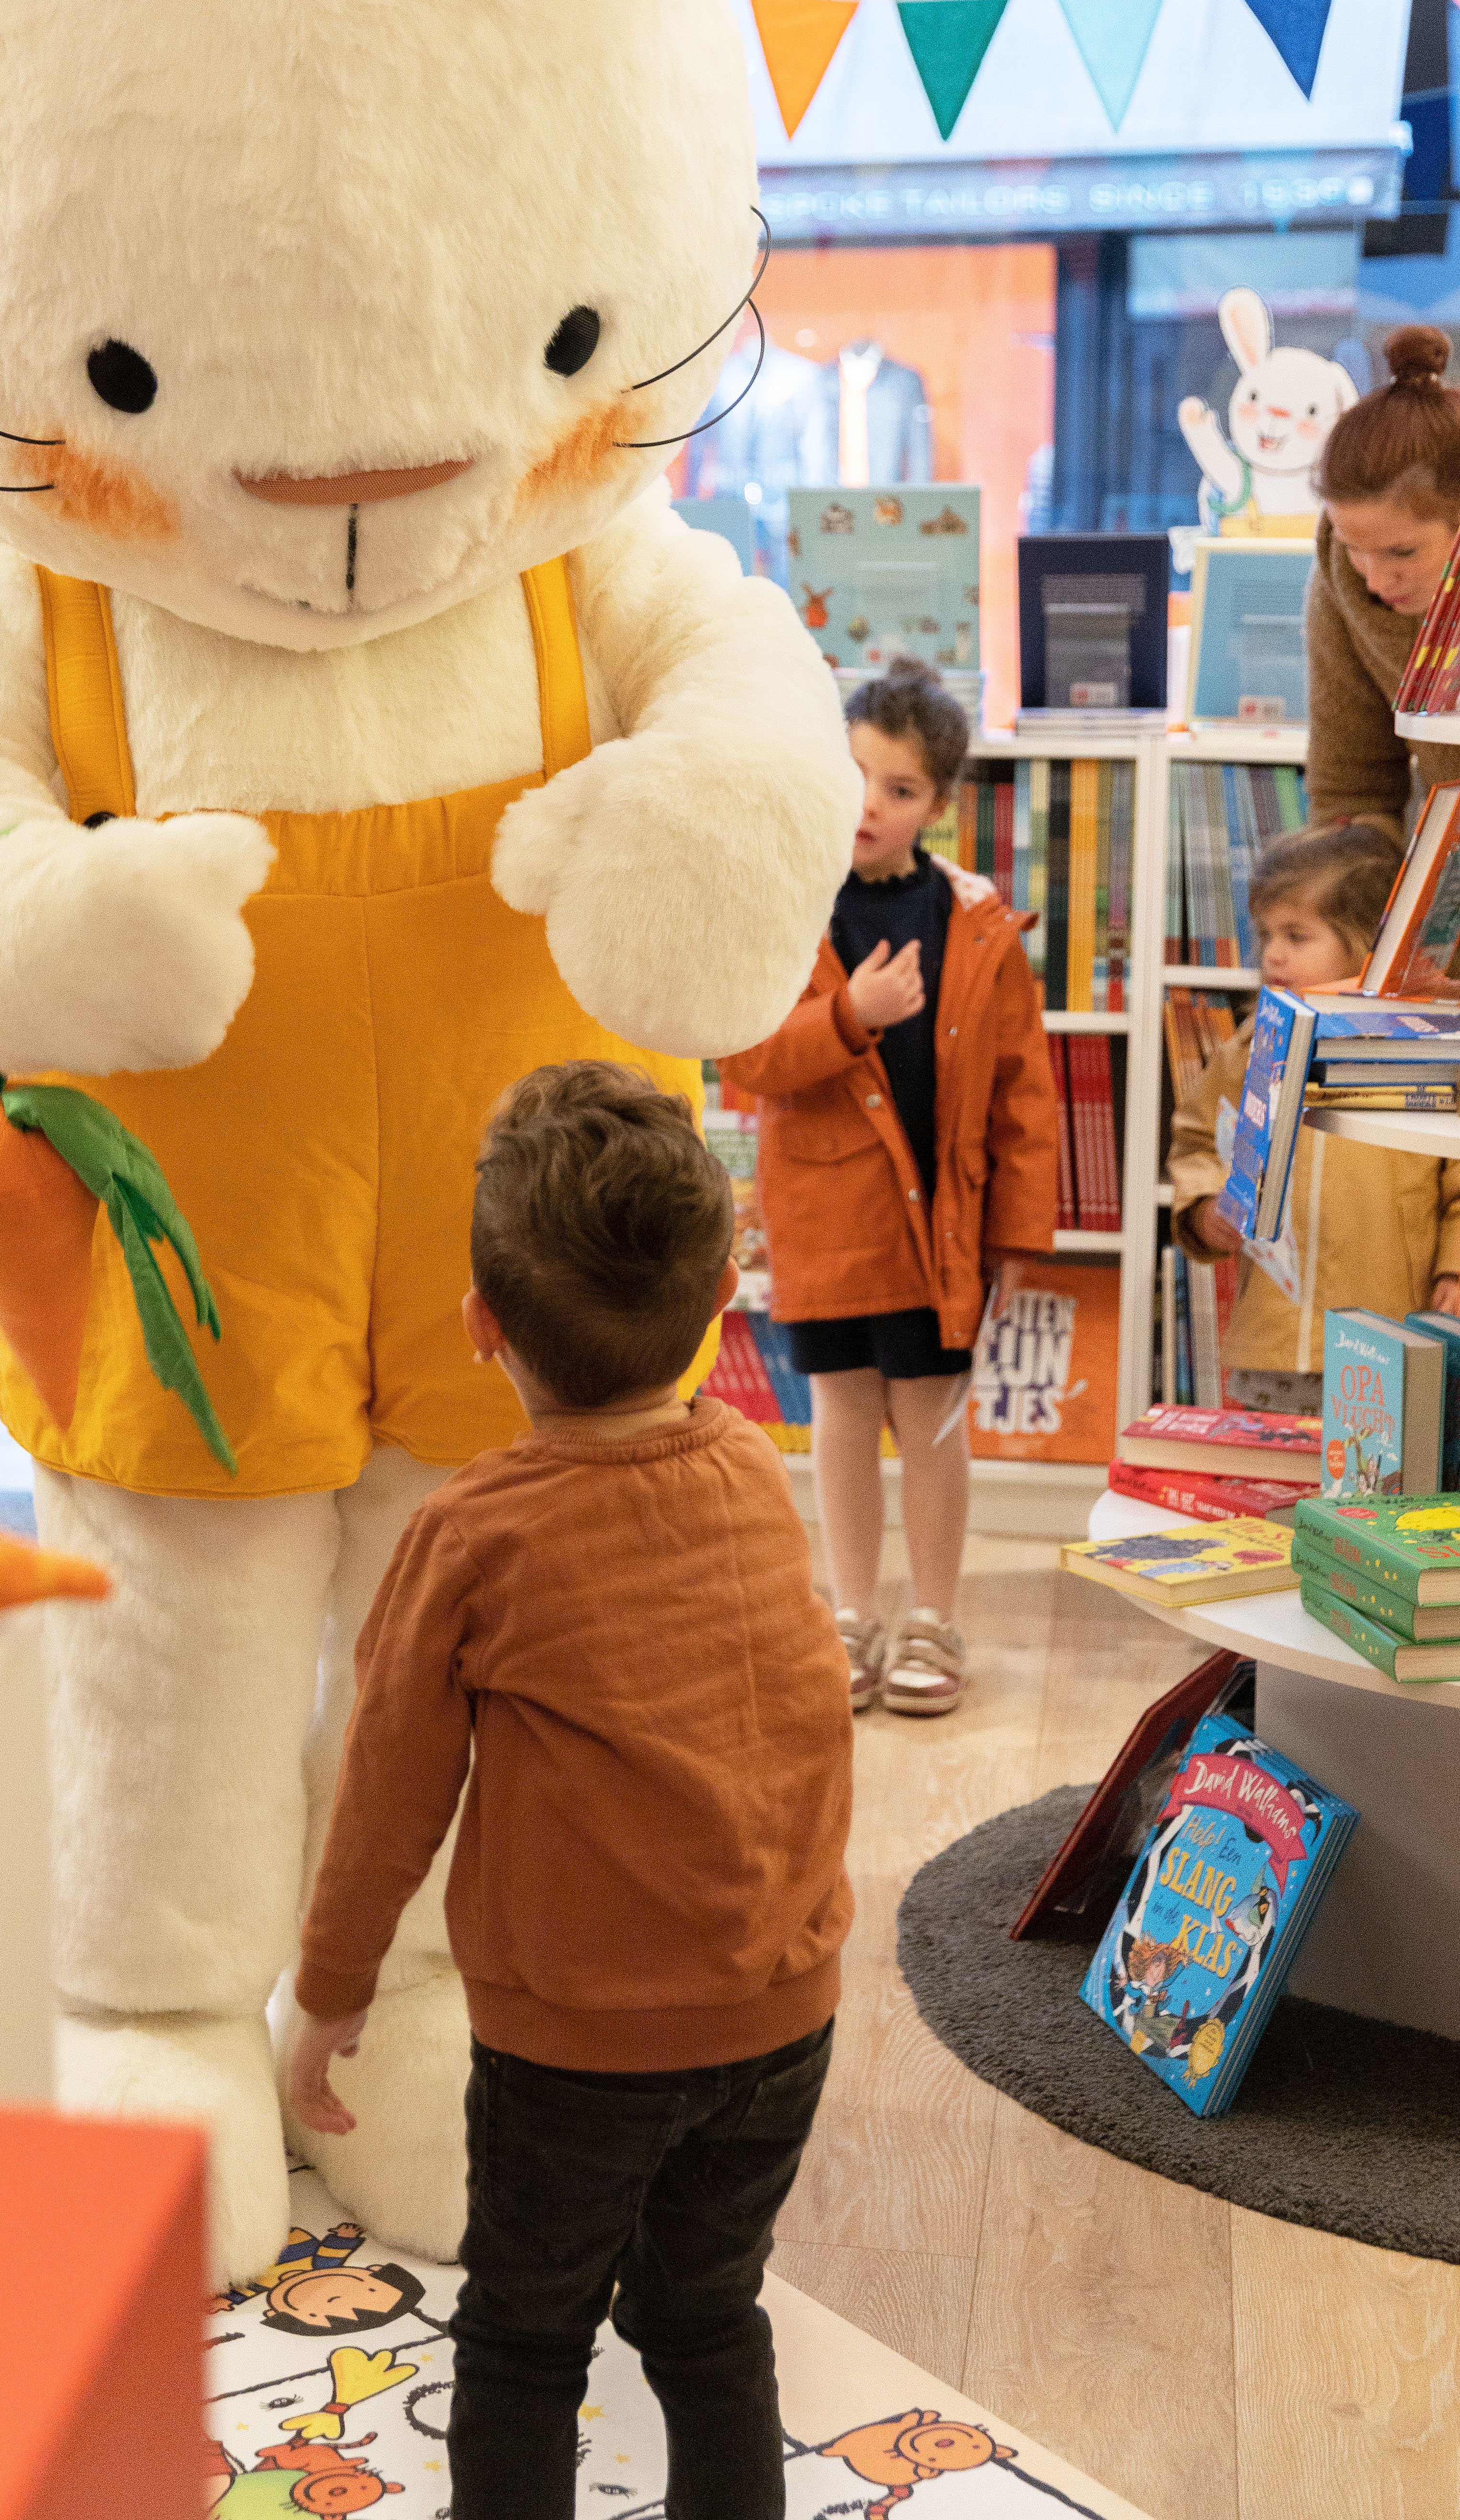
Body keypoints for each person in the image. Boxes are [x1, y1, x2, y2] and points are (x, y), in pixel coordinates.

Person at [285, 1061, 852, 2520]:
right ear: (723, 1294)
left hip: (577, 2046)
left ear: (483, 1328)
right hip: (782, 2013)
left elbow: (383, 1795)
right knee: (705, 2318)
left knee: (524, 2343)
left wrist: (328, 1991)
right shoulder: (748, 1466)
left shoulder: (472, 1535)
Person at [719, 657, 1057, 1717]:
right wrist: (846, 1019)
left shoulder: (976, 918)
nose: (868, 803)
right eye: (853, 774)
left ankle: (935, 1619)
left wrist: (1015, 1231)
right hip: (827, 1220)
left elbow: (1022, 1091)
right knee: (841, 1415)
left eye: (899, 788)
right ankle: (849, 1616)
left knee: (933, 1422)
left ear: (940, 805)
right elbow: (743, 1060)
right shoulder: (785, 903)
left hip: (945, 1229)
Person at [1169, 824, 1460, 1410]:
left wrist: (1455, 1272)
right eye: (1265, 935)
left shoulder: (1425, 1050)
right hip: (1269, 1347)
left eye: (1296, 936)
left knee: (1374, 1495)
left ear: (1367, 946)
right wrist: (1205, 1211)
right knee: (1266, 1493)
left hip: (1391, 1339)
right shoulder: (1245, 1052)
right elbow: (1198, 1143)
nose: (1271, 954)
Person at [1307, 323, 1460, 835]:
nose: (1376, 579)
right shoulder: (1343, 575)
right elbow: (1350, 787)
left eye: (1402, 551)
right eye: (1355, 550)